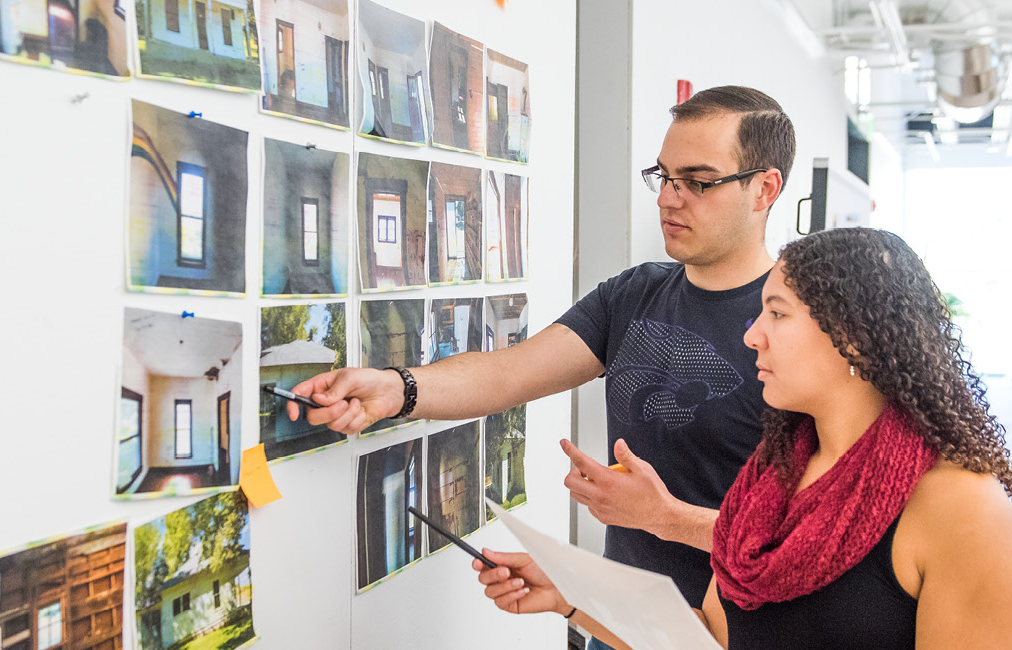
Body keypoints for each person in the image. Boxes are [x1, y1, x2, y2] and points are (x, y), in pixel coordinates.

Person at [288, 87, 795, 624]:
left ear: (764, 188)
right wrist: (396, 388)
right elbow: (509, 372)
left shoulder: (798, 330)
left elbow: (814, 535)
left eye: (697, 182)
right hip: (615, 623)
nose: (668, 198)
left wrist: (665, 518)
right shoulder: (635, 294)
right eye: (664, 176)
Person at [473, 227, 1012, 650]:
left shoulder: (961, 508)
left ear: (855, 341)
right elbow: (712, 640)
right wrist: (576, 595)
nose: (752, 334)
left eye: (777, 314)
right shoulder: (774, 474)